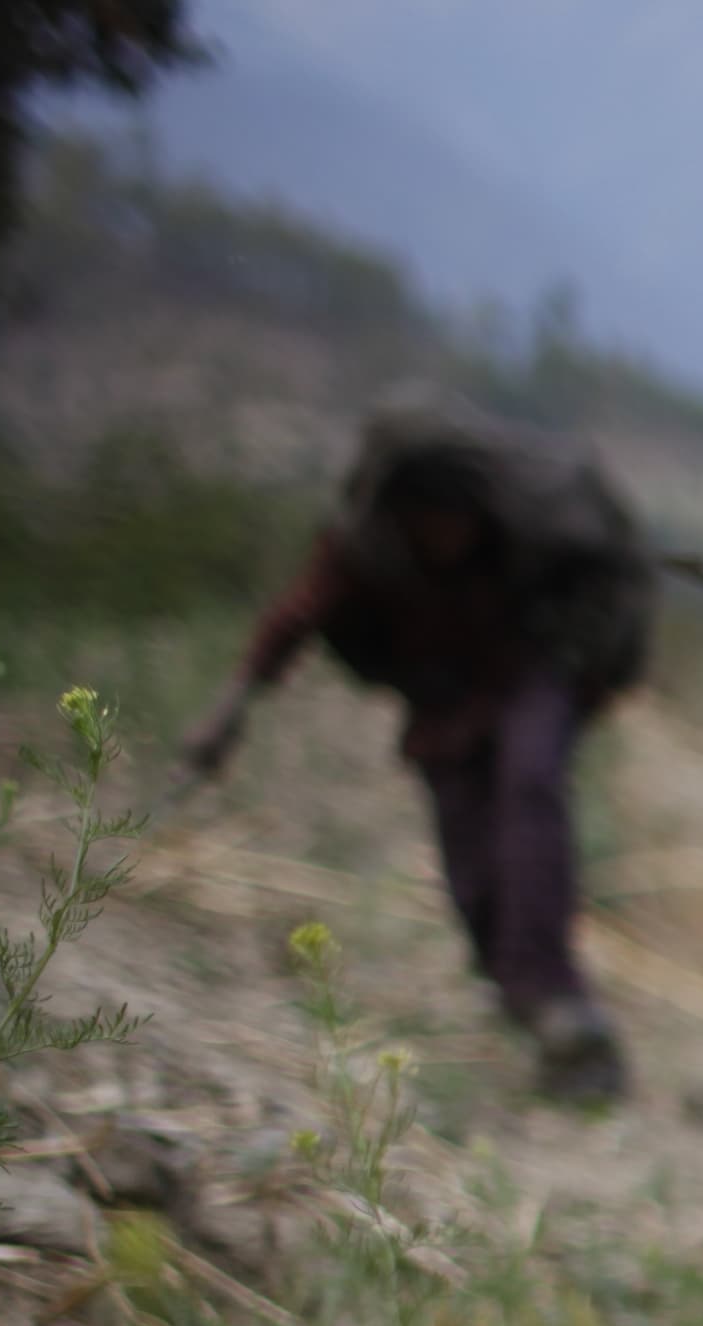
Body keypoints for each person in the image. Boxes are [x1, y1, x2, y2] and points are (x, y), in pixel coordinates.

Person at [184, 403, 653, 1101]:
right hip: (445, 700)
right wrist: (228, 713)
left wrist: (585, 671)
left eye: (456, 517)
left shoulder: (533, 535)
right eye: (429, 519)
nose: (445, 534)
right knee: (471, 863)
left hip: (530, 670)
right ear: (401, 517)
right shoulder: (361, 553)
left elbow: (602, 604)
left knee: (530, 790)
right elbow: (293, 621)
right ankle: (530, 1005)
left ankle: (557, 1000)